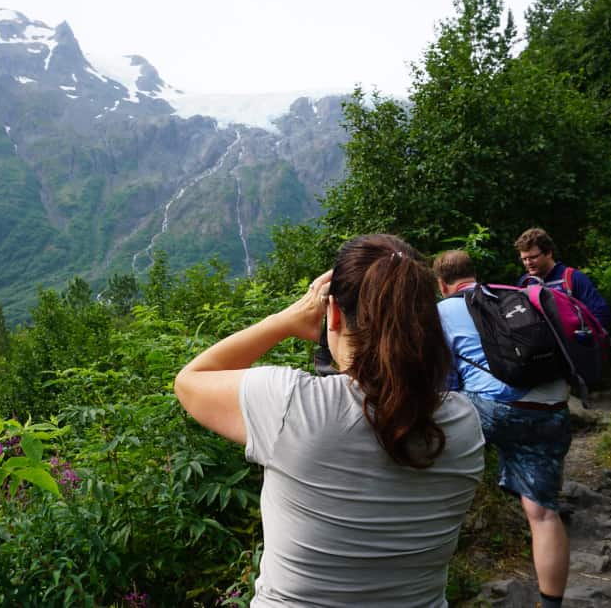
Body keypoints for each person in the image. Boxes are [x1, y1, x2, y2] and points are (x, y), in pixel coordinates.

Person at [175, 234, 485, 606]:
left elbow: (190, 381)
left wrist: (284, 321)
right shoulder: (465, 424)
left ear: (333, 313)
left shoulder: (292, 406)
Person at [433, 249, 571, 608]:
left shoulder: (441, 311)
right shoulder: (515, 296)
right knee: (543, 513)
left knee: (435, 421)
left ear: (440, 284)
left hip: (496, 410)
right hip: (553, 405)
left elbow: (446, 381)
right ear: (473, 273)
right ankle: (551, 604)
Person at [515, 227, 610, 328]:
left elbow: (601, 314)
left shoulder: (573, 278)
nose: (528, 263)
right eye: (524, 259)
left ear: (548, 253)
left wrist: (586, 334)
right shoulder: (525, 282)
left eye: (533, 257)